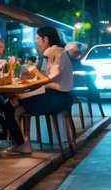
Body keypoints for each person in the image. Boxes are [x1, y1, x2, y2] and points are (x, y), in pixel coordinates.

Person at [6, 26, 73, 155]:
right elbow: (46, 77)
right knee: (16, 101)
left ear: (45, 39)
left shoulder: (58, 54)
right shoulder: (55, 53)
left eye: (38, 39)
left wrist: (36, 78)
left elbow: (53, 77)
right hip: (59, 96)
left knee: (12, 103)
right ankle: (24, 142)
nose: (36, 42)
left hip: (58, 97)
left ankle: (23, 144)